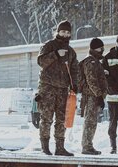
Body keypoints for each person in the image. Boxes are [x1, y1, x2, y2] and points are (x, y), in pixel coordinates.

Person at [36, 20, 79, 156]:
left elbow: (74, 70)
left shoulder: (71, 52)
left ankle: (60, 147)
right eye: (63, 31)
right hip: (48, 88)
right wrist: (55, 54)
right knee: (46, 117)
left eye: (67, 32)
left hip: (62, 89)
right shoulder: (49, 46)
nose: (65, 34)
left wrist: (75, 85)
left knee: (61, 119)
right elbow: (41, 62)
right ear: (58, 31)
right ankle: (45, 147)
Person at [79, 37, 108, 155]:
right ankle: (86, 146)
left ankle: (88, 145)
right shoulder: (90, 61)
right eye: (100, 48)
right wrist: (99, 95)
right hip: (91, 96)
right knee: (90, 121)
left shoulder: (95, 61)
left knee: (92, 121)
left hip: (94, 96)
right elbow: (92, 80)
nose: (102, 50)